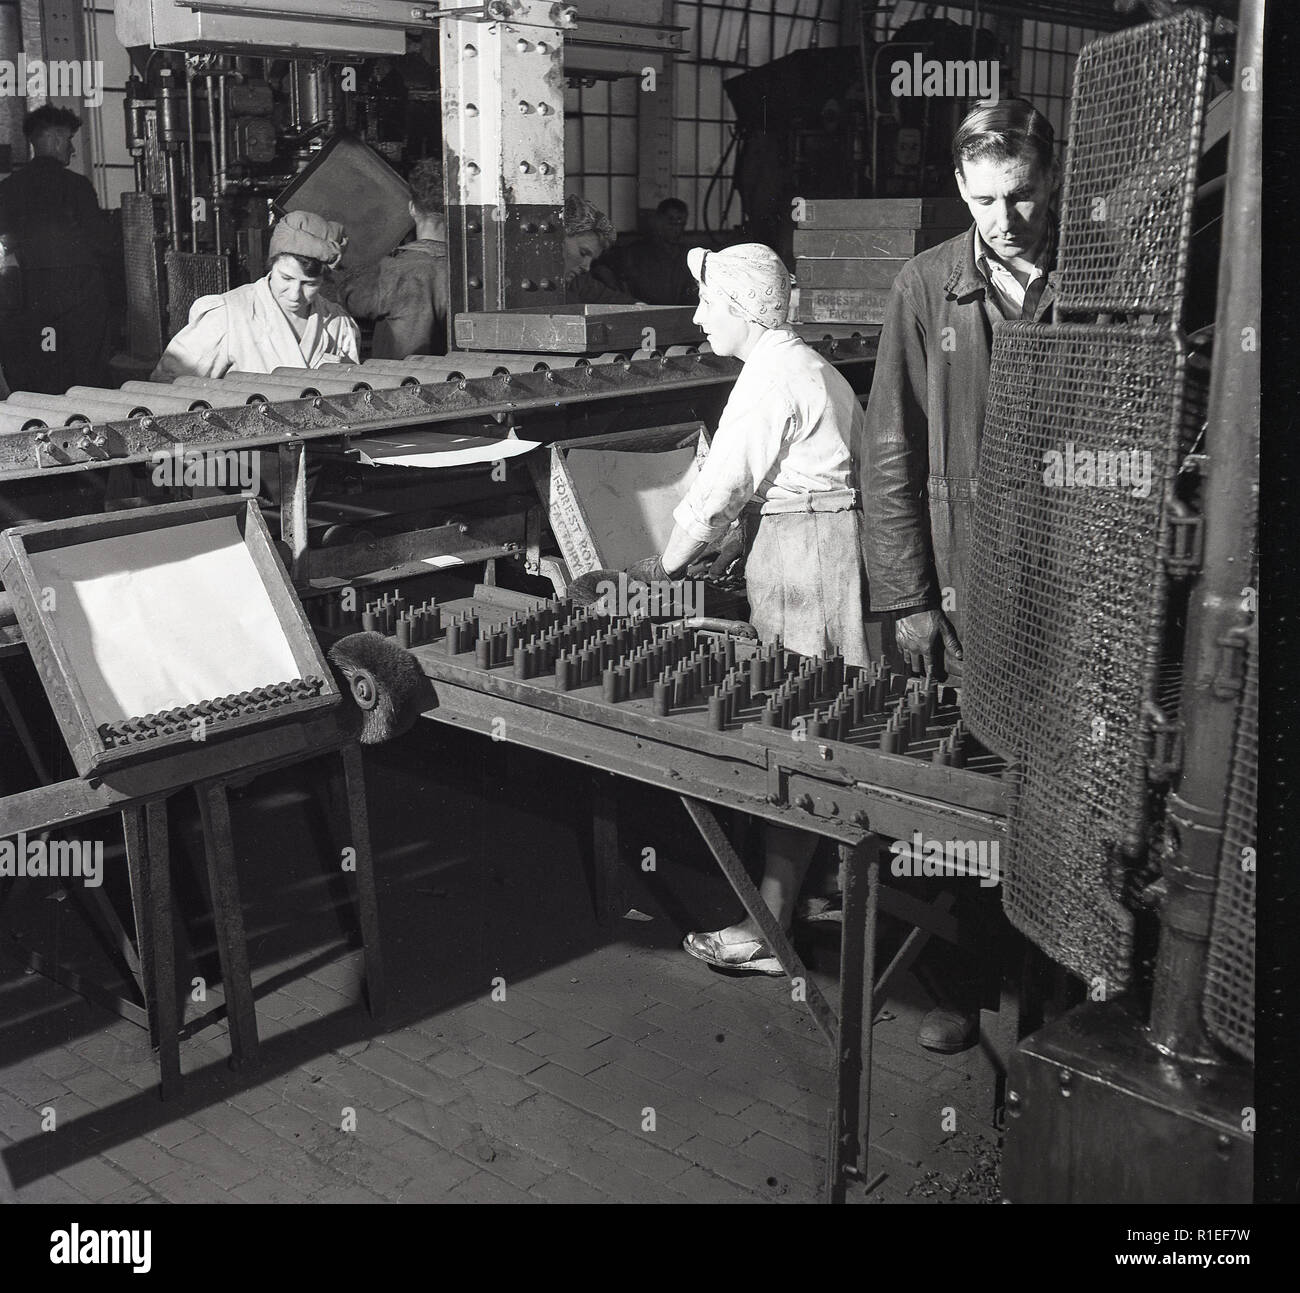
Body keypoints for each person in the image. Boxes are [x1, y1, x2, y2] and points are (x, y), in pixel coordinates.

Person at [861, 98, 1059, 1051]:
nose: (1004, 221)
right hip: (961, 586)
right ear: (959, 186)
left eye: (1019, 196)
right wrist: (904, 596)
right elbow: (888, 449)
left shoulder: (1091, 277)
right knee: (961, 790)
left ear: (1048, 180)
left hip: (1069, 587)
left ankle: (1052, 983)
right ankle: (962, 981)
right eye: (984, 199)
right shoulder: (927, 286)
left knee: (1057, 790)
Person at [620, 242, 871, 974]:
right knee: (814, 723)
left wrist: (654, 573)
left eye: (707, 305)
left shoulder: (770, 378)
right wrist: (736, 544)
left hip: (809, 566)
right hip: (810, 545)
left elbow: (719, 487)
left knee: (793, 737)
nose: (698, 319)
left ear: (742, 309)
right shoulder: (804, 365)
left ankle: (769, 927)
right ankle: (804, 892)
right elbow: (787, 481)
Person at [151, 210, 359, 380]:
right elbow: (169, 385)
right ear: (271, 264)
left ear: (323, 280)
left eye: (309, 284)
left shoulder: (338, 324)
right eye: (286, 278)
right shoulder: (228, 316)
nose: (295, 295)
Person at [0, 106, 114, 393]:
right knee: (84, 381)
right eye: (68, 139)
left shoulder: (9, 188)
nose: (73, 149)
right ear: (52, 139)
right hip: (81, 300)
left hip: (26, 301)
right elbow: (101, 243)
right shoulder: (77, 186)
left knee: (34, 379)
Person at [332, 158, 449, 358]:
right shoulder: (472, 271)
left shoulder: (391, 273)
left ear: (412, 208)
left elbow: (347, 297)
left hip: (403, 385)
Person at [603, 198, 698, 306]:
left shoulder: (686, 255)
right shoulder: (635, 252)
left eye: (680, 222)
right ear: (658, 220)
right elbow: (603, 270)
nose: (676, 228)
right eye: (670, 221)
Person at [562, 195, 637, 305]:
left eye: (592, 260)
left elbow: (614, 300)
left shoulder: (579, 282)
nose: (586, 267)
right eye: (583, 253)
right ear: (559, 239)